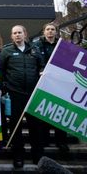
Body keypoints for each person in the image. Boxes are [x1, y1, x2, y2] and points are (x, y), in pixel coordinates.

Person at [0, 25, 45, 168]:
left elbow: (41, 67)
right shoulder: (6, 51)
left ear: (25, 34)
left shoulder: (35, 50)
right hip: (15, 93)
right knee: (15, 126)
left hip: (32, 94)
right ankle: (18, 155)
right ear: (12, 36)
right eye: (15, 33)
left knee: (35, 126)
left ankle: (37, 155)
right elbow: (1, 71)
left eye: (19, 32)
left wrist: (42, 72)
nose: (17, 35)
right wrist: (3, 88)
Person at [33, 23, 69, 152]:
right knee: (44, 111)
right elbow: (36, 60)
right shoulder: (37, 45)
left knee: (59, 111)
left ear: (56, 32)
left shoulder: (62, 45)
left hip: (59, 83)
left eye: (52, 29)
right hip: (43, 82)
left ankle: (62, 142)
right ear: (44, 31)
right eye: (47, 29)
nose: (50, 32)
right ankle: (45, 139)